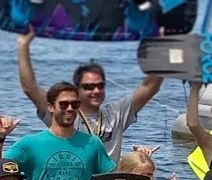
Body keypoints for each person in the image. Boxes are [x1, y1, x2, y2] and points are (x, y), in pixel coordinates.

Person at [19, 32, 165, 161]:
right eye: (89, 87)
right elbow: (30, 88)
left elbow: (150, 87)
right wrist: (23, 46)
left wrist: (163, 46)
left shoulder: (117, 113)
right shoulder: (64, 113)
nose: (96, 91)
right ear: (77, 90)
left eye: (100, 86)